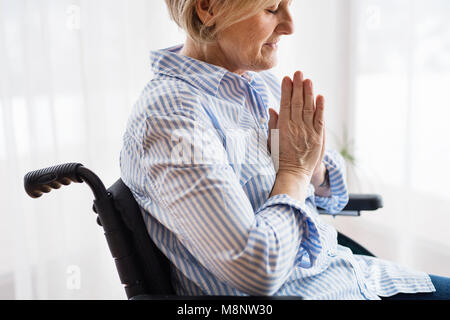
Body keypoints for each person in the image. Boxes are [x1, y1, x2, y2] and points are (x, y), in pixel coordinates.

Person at [120, 0, 449, 299]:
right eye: (272, 8)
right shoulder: (171, 120)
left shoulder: (258, 83)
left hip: (353, 276)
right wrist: (294, 171)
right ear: (208, 8)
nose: (290, 25)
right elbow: (257, 269)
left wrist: (313, 167)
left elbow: (327, 188)